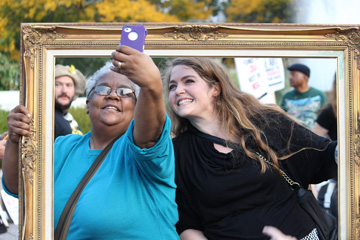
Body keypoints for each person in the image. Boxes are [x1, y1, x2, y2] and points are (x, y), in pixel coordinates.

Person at [2, 46, 179, 239]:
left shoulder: (143, 150)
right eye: (102, 89)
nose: (113, 95)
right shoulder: (63, 147)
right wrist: (14, 138)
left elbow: (149, 135)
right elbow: (17, 187)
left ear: (138, 108)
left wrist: (151, 85)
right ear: (88, 104)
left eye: (125, 91)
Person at [163, 58, 337, 239]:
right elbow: (186, 223)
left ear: (215, 88)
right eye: (172, 86)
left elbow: (323, 157)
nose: (178, 90)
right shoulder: (177, 153)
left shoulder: (267, 123)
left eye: (189, 81)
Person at [280, 63, 327, 130]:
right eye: (290, 74)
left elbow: (326, 119)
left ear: (305, 77)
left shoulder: (319, 95)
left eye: (293, 75)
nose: (290, 77)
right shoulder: (287, 97)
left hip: (315, 138)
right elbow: (281, 119)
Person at [54, 64, 86, 139]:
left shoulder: (67, 117)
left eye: (69, 85)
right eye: (58, 85)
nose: (64, 91)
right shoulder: (46, 117)